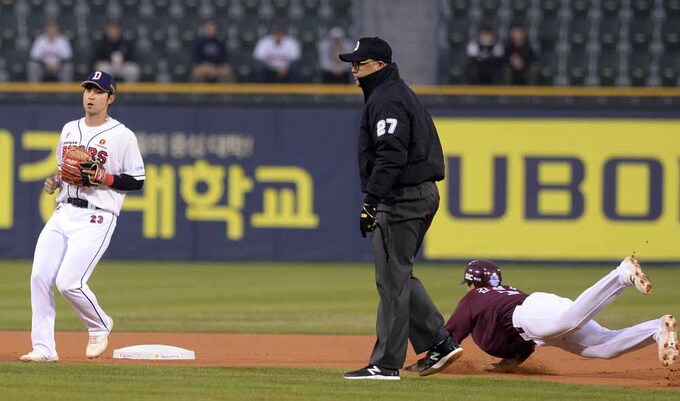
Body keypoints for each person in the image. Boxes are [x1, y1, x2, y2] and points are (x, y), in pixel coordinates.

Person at [339, 37, 463, 381]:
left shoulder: (388, 98)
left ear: (379, 65)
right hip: (416, 193)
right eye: (352, 63)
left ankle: (386, 364)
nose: (354, 69)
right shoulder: (393, 93)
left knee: (392, 281)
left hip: (402, 198)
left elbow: (390, 154)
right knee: (400, 275)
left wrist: (372, 200)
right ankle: (439, 342)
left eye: (360, 63)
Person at [20, 71, 146, 363]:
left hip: (97, 216)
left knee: (68, 283)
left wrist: (105, 177)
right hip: (64, 211)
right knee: (39, 276)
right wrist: (55, 183)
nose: (90, 95)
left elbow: (137, 180)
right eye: (88, 89)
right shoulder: (69, 129)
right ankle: (44, 348)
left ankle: (99, 324)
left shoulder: (122, 135)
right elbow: (66, 171)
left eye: (98, 91)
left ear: (110, 98)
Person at [406, 257, 678, 373]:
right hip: (539, 320)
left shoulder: (473, 298)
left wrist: (423, 364)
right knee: (603, 347)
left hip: (531, 315)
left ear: (472, 282)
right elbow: (522, 349)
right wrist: (506, 364)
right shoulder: (502, 293)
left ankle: (621, 274)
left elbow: (449, 339)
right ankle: (656, 329)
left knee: (570, 320)